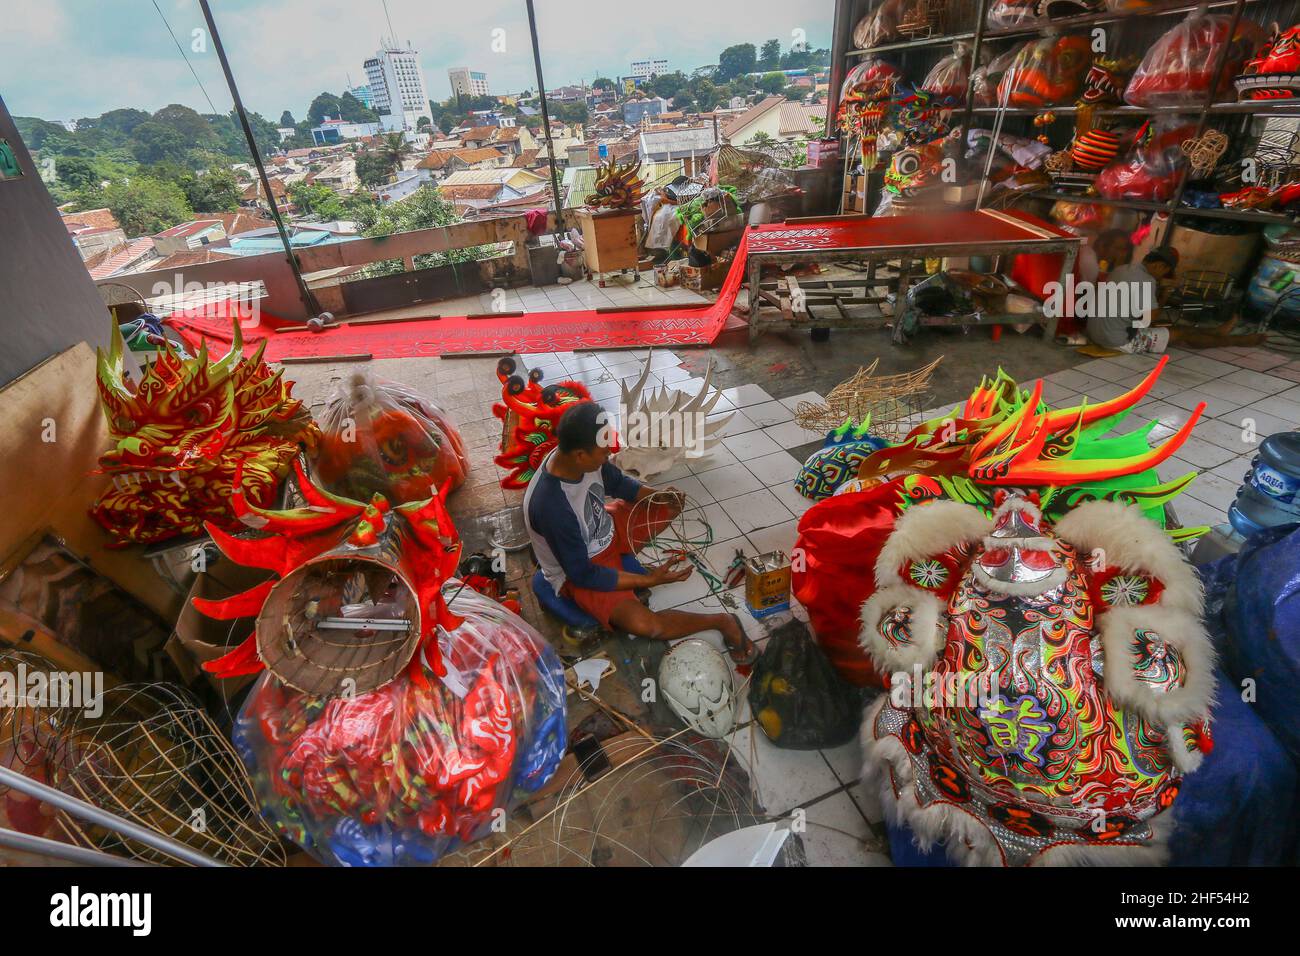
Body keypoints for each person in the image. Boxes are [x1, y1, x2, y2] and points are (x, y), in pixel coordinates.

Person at [523, 401, 758, 664]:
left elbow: (619, 483)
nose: (608, 456)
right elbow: (584, 574)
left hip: (605, 526)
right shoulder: (552, 505)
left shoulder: (576, 457)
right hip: (582, 569)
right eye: (603, 453)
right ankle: (724, 622)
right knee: (650, 626)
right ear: (580, 455)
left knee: (671, 504)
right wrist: (650, 581)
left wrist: (659, 497)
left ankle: (626, 560)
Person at [1086, 248, 1266, 353]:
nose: (1163, 276)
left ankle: (1216, 331)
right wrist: (1164, 295)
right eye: (1165, 272)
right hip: (1117, 341)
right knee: (1182, 334)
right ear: (1160, 266)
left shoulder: (1122, 269)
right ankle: (1237, 341)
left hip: (1096, 331)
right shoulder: (1147, 280)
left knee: (1170, 327)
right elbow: (1151, 318)